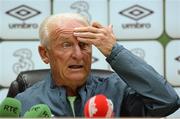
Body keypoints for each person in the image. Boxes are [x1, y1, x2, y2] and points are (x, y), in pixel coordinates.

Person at [15, 13, 180, 117]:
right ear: (45, 54)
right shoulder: (24, 102)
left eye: (84, 44)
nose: (78, 55)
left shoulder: (118, 89)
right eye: (66, 45)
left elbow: (167, 102)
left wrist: (114, 51)